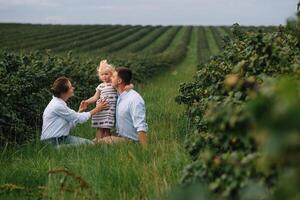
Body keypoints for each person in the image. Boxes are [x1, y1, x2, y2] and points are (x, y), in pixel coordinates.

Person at [41, 76, 109, 147]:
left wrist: (79, 111)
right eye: (70, 87)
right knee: (88, 146)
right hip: (52, 142)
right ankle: (56, 149)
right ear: (64, 92)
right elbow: (80, 119)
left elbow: (70, 123)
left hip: (62, 139)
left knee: (90, 144)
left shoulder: (59, 103)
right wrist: (97, 109)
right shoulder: (57, 105)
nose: (73, 88)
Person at [83, 60, 133, 142]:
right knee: (99, 127)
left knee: (106, 127)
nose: (104, 76)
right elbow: (95, 97)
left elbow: (124, 87)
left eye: (106, 74)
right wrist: (87, 102)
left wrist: (130, 86)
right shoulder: (100, 86)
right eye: (102, 75)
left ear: (111, 74)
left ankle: (106, 141)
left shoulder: (113, 84)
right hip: (100, 109)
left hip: (109, 110)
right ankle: (98, 142)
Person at [96, 67, 148, 145]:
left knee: (98, 143)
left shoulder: (134, 99)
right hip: (120, 136)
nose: (110, 78)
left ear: (119, 81)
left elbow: (141, 126)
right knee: (95, 140)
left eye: (113, 77)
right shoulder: (119, 95)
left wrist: (145, 150)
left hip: (131, 141)